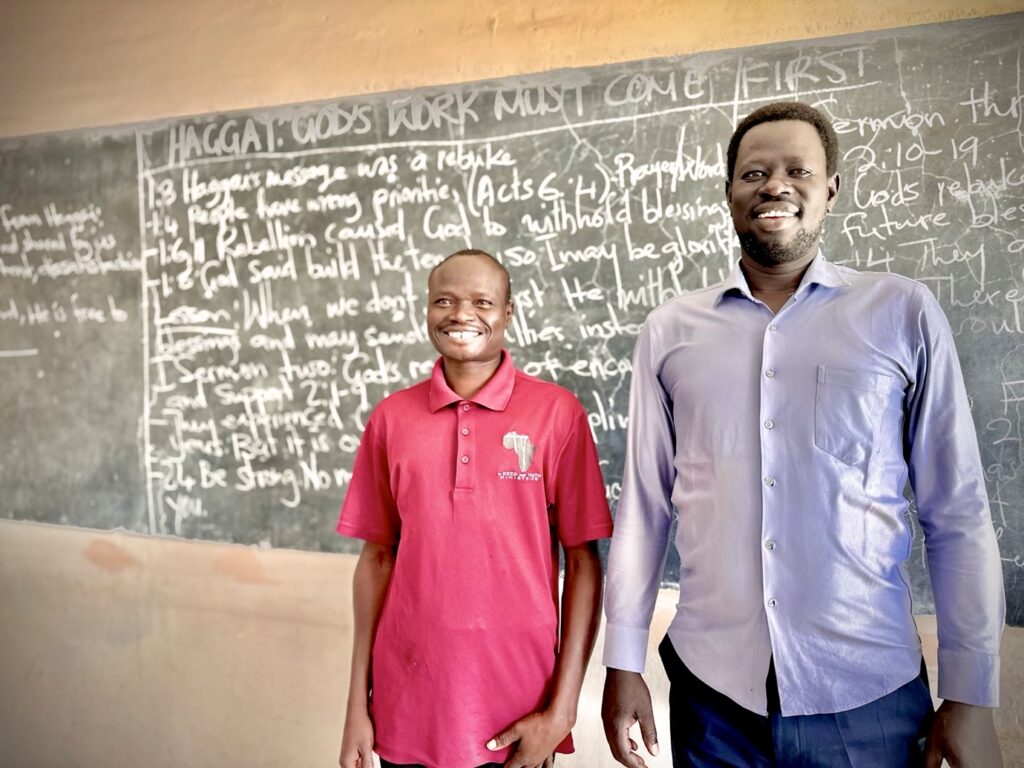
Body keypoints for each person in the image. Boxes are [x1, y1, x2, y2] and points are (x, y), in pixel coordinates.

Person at [601, 102, 1005, 767]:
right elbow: (643, 511)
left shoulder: (902, 313)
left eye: (797, 170)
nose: (774, 186)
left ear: (831, 190)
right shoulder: (670, 331)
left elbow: (956, 514)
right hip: (713, 699)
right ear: (730, 191)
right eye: (753, 172)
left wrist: (970, 695)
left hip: (867, 694)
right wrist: (622, 661)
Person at [337, 249, 613, 768]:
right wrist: (357, 705)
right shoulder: (391, 419)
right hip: (406, 705)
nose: (461, 315)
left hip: (518, 712)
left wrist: (563, 711)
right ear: (425, 310)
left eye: (482, 301)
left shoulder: (558, 415)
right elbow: (376, 560)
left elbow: (582, 562)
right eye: (444, 300)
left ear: (508, 313)